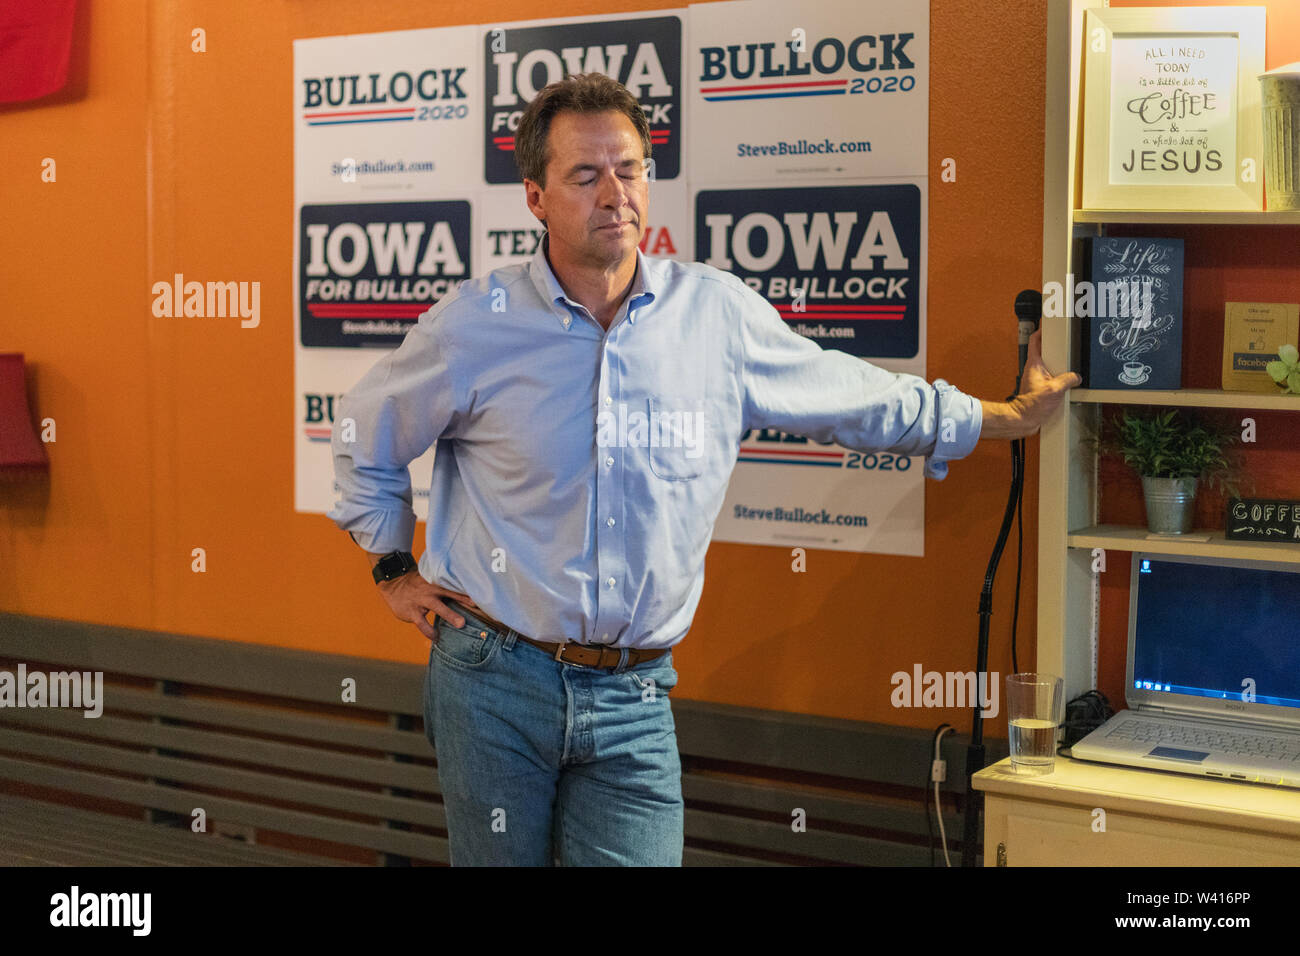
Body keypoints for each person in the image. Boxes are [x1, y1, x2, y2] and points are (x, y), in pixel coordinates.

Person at [328, 72, 1080, 867]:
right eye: (585, 175)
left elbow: (855, 397)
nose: (614, 192)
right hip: (494, 681)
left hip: (636, 694)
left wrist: (1006, 418)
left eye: (629, 168)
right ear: (536, 198)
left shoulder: (715, 317)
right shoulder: (478, 327)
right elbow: (362, 432)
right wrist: (390, 568)